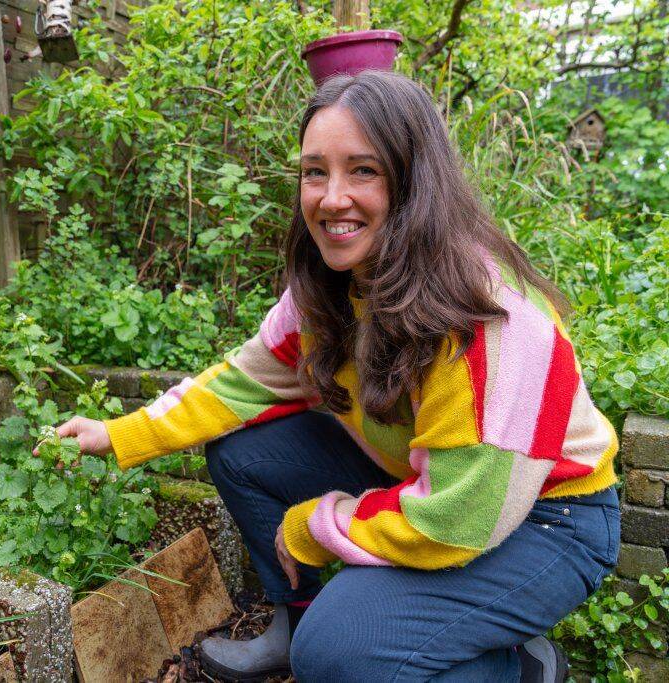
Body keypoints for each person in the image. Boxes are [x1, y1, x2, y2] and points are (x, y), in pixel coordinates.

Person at [50, 70, 620, 682]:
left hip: (548, 519)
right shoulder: (331, 290)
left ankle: (514, 669)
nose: (330, 197)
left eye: (363, 171)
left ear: (414, 183)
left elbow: (455, 522)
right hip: (439, 481)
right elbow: (241, 383)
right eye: (314, 171)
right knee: (244, 454)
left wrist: (314, 526)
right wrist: (119, 433)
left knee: (338, 654)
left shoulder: (487, 324)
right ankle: (299, 621)